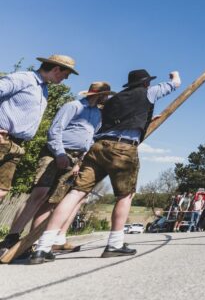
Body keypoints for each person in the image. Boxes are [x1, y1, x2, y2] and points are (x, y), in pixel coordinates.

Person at [29, 69, 181, 264]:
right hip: (123, 148)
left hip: (98, 147)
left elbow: (120, 120)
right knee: (125, 195)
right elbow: (174, 84)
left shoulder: (112, 101)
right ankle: (115, 244)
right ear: (145, 84)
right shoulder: (147, 93)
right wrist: (174, 75)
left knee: (76, 192)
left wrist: (147, 120)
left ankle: (42, 247)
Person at [0, 81, 112, 258]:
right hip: (55, 152)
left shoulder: (97, 114)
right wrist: (59, 154)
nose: (107, 98)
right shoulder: (73, 106)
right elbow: (55, 131)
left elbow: (91, 139)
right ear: (99, 94)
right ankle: (11, 237)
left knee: (51, 200)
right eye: (106, 95)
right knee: (39, 193)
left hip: (75, 157)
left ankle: (30, 243)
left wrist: (80, 162)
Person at [1, 55, 78, 202]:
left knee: (2, 190)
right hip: (3, 139)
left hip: (16, 145)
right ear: (56, 69)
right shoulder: (24, 78)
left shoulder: (44, 90)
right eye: (66, 75)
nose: (66, 79)